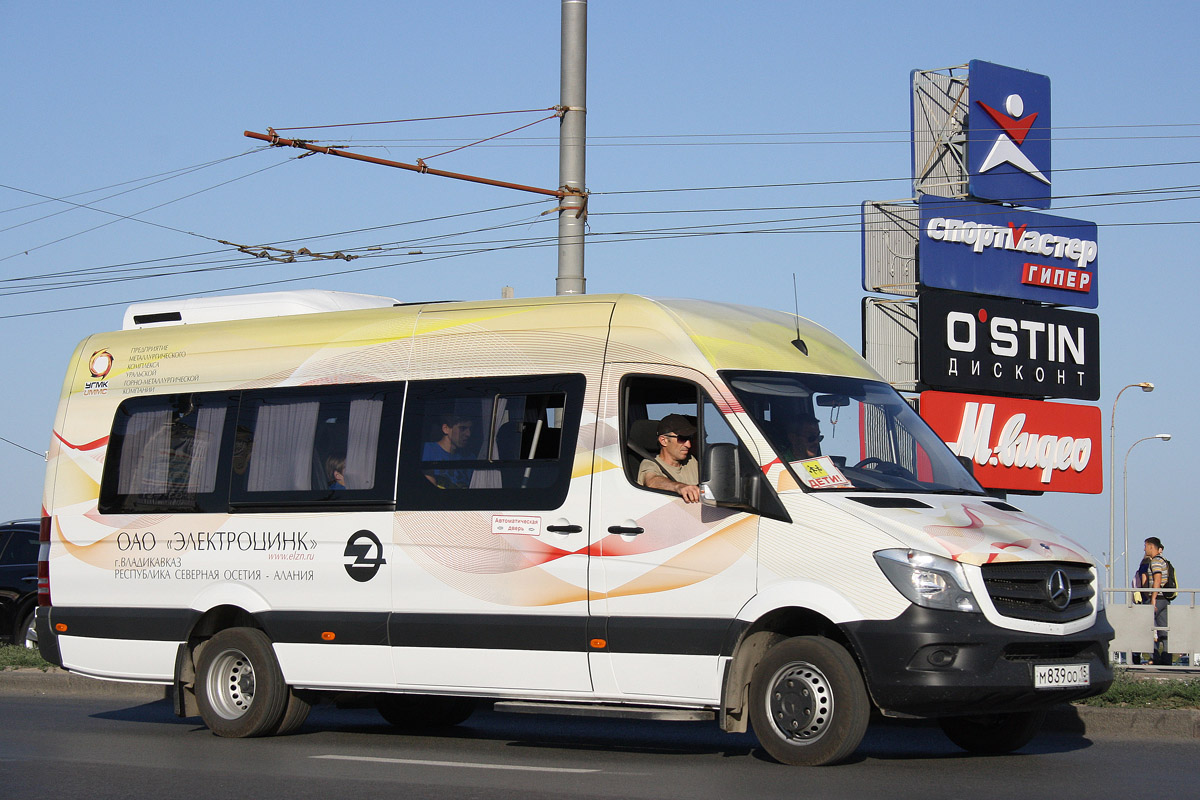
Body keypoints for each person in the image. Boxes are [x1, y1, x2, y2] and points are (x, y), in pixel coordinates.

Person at [638, 414, 701, 503]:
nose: (688, 445)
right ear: (663, 440)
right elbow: (652, 481)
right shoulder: (650, 463)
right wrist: (679, 487)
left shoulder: (691, 460)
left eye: (689, 438)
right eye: (682, 438)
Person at [423, 414, 474, 489]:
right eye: (462, 428)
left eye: (470, 429)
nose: (468, 434)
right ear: (446, 429)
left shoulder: (470, 457)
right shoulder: (427, 450)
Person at [1145, 537, 1172, 666]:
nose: (1144, 549)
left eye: (1145, 546)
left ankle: (1154, 657)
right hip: (1165, 599)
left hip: (1158, 599)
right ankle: (1167, 658)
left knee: (1144, 627)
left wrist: (1153, 599)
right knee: (1164, 630)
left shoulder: (1155, 561)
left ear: (1151, 546)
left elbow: (1157, 580)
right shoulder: (1164, 561)